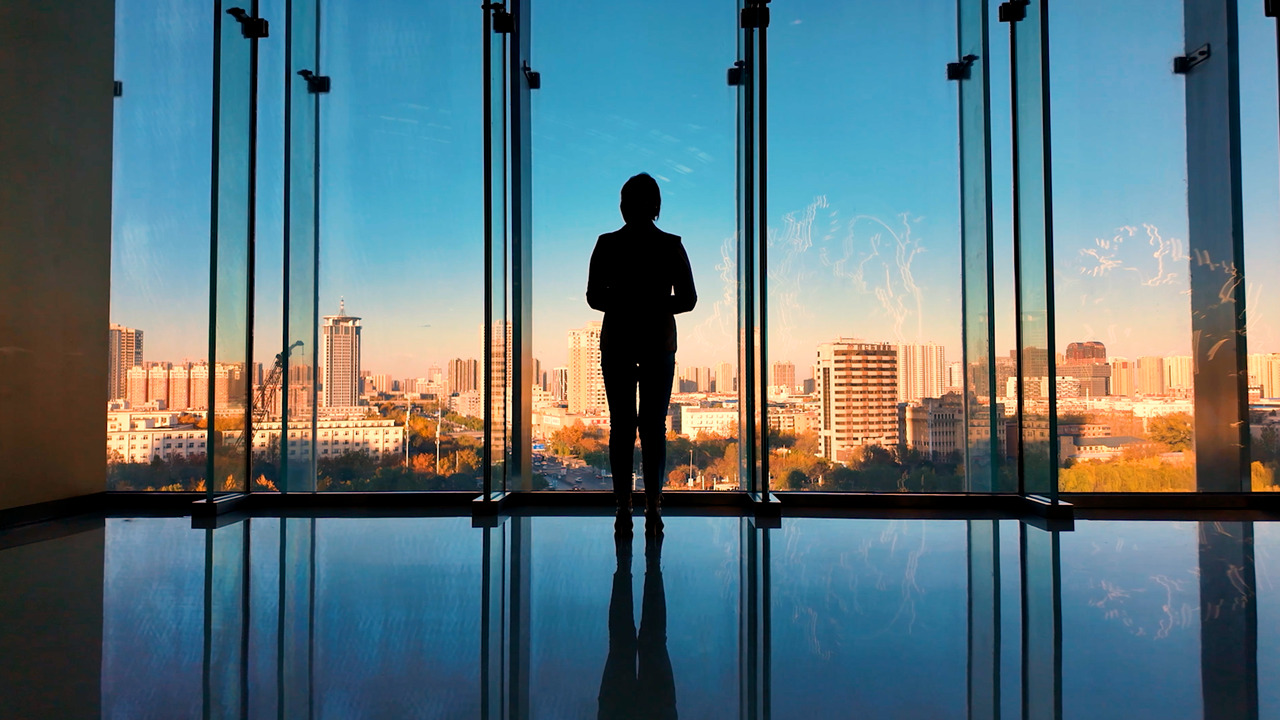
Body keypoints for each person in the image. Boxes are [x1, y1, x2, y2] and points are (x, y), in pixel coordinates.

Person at [587, 173, 697, 535]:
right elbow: (688, 299)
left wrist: (624, 303)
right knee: (653, 428)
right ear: (656, 206)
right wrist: (654, 305)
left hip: (618, 340)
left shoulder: (606, 244)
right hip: (658, 342)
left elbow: (593, 296)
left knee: (622, 427)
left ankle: (623, 510)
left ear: (623, 206)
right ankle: (653, 509)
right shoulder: (671, 245)